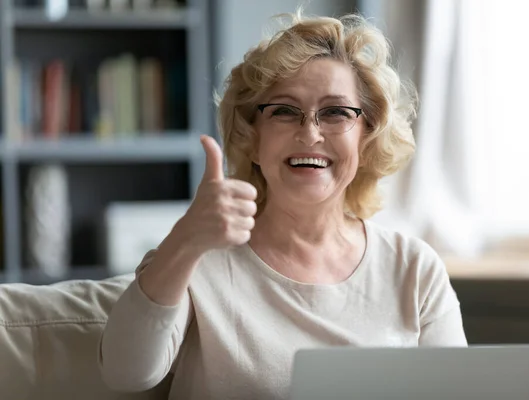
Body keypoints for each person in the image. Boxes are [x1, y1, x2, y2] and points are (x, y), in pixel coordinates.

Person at [98, 10, 467, 400]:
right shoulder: (196, 260)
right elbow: (126, 372)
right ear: (252, 137)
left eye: (336, 112)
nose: (309, 133)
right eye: (285, 111)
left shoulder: (415, 270)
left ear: (366, 136)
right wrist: (186, 237)